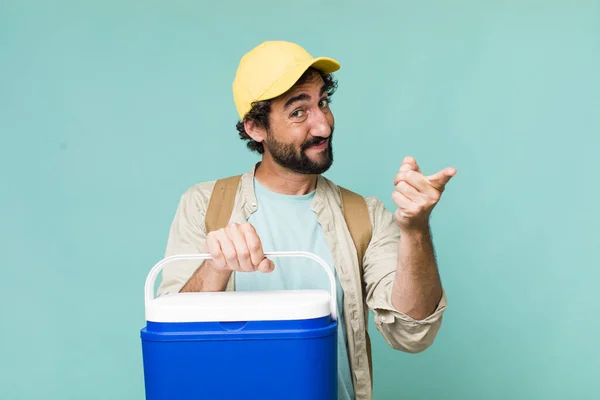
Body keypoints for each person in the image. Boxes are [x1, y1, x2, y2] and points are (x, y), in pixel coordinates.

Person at [157, 40, 456, 400]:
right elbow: (171, 341)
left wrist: (415, 230)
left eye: (323, 103)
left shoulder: (365, 216)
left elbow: (412, 334)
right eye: (298, 112)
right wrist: (215, 268)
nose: (323, 126)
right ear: (255, 128)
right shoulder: (204, 205)